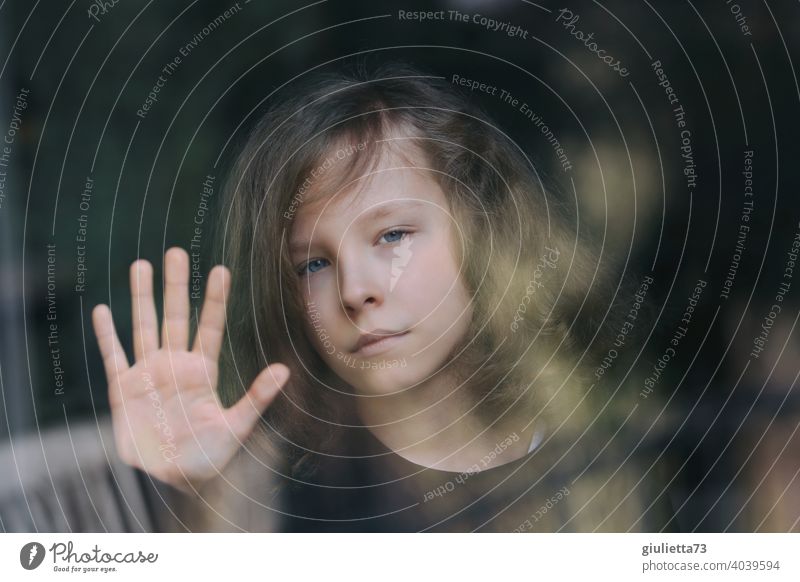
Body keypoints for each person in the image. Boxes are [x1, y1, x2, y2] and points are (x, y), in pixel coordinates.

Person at [92, 61, 670, 531]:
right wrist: (201, 501)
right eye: (313, 264)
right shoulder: (285, 499)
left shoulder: (601, 436)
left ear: (480, 229)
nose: (355, 291)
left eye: (392, 235)